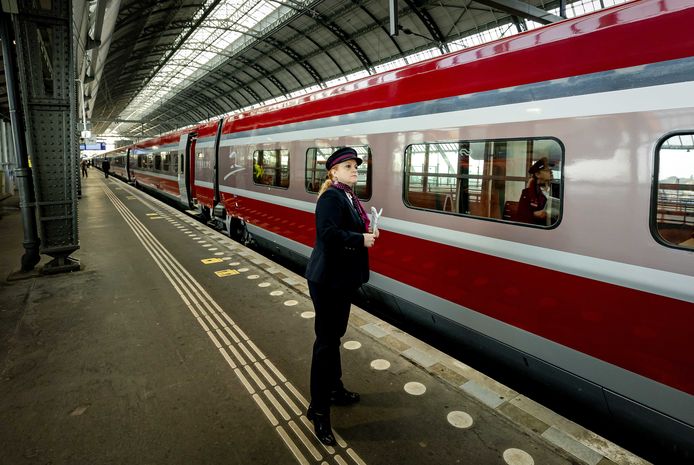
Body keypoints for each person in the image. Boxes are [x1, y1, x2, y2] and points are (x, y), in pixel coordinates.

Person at [304, 147, 379, 445]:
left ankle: (333, 389)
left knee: (334, 336)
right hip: (327, 281)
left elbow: (346, 229)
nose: (355, 170)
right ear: (333, 171)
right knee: (325, 343)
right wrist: (361, 239)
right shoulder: (331, 197)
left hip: (341, 280)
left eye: (356, 166)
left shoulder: (348, 196)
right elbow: (328, 235)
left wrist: (368, 232)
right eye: (348, 166)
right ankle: (319, 411)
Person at [517, 157, 554, 225]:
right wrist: (534, 214)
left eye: (551, 170)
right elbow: (521, 215)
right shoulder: (527, 193)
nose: (551, 172)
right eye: (547, 170)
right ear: (537, 174)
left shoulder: (557, 190)